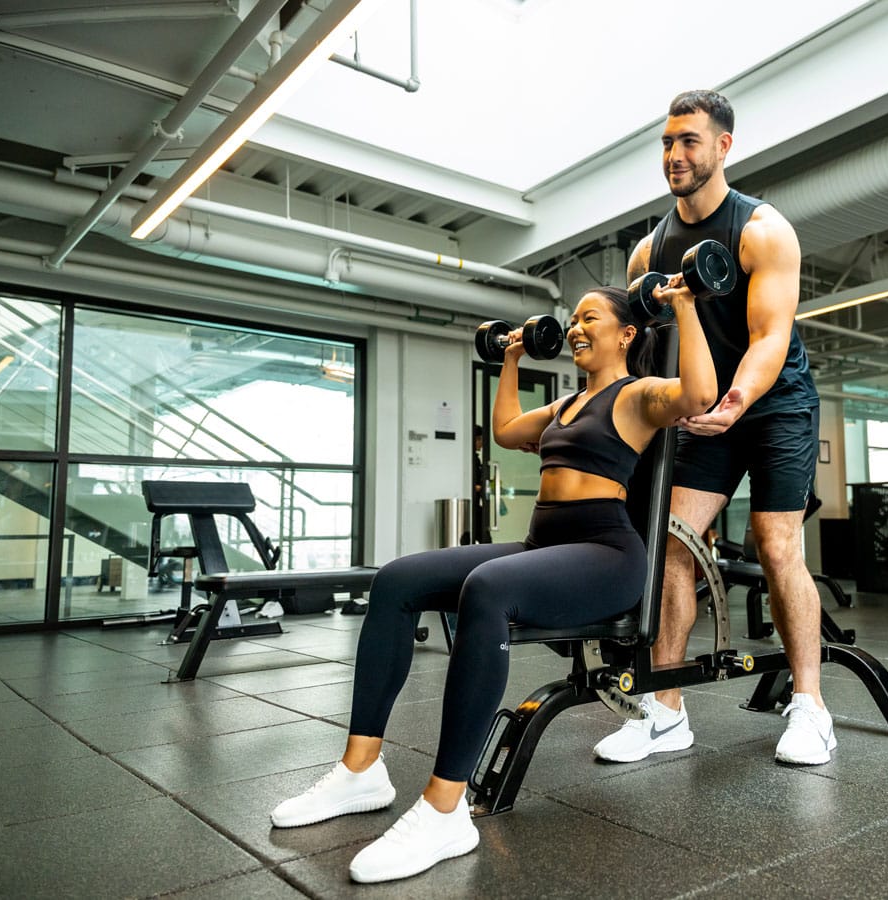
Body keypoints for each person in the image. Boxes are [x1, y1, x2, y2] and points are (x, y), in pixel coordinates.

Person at [268, 285, 715, 884]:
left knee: (488, 587)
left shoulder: (635, 396)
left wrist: (684, 304)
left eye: (590, 318)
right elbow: (505, 428)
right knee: (397, 580)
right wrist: (510, 358)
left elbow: (699, 393)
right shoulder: (563, 406)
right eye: (572, 320)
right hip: (546, 545)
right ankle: (361, 770)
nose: (576, 328)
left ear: (627, 334)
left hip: (607, 555)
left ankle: (446, 809)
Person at [593, 89, 835, 768]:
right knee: (673, 543)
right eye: (667, 142)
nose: (674, 155)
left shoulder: (761, 230)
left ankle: (811, 706)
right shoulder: (649, 252)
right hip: (705, 410)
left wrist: (737, 400)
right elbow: (646, 349)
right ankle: (665, 709)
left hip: (774, 400)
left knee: (776, 542)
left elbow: (770, 337)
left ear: (723, 146)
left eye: (689, 142)